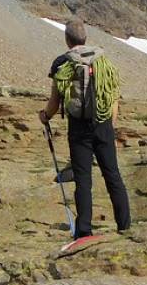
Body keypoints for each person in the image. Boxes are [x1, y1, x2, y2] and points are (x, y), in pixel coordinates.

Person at [38, 18, 130, 249]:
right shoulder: (104, 61)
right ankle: (125, 226)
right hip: (103, 124)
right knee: (113, 175)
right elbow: (113, 97)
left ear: (67, 39)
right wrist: (108, 125)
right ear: (85, 38)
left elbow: (55, 101)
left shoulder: (62, 63)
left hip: (78, 128)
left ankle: (84, 231)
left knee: (83, 179)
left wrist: (45, 116)